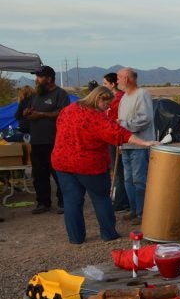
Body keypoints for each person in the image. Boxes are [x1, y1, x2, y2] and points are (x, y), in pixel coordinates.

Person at [52, 87, 158, 244]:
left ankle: (76, 238)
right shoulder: (96, 117)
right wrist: (145, 142)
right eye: (106, 104)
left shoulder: (68, 110)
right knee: (101, 198)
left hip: (62, 162)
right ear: (98, 99)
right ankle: (108, 233)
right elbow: (119, 134)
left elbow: (60, 127)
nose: (108, 108)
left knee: (71, 201)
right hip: (89, 165)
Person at [19, 65, 70, 214]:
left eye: (39, 77)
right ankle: (43, 203)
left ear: (49, 78)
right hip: (37, 141)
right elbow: (28, 112)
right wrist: (27, 112)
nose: (37, 79)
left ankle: (63, 202)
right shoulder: (35, 95)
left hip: (54, 141)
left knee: (58, 173)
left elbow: (63, 113)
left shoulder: (60, 94)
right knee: (39, 174)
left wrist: (42, 114)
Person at [117, 67, 155, 225]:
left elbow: (145, 119)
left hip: (140, 146)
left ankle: (142, 212)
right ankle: (134, 208)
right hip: (126, 145)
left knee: (139, 180)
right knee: (128, 180)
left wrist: (123, 125)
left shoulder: (142, 94)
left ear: (127, 78)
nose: (117, 80)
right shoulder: (124, 97)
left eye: (119, 77)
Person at [103, 72, 129, 211]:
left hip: (116, 138)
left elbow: (120, 120)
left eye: (105, 84)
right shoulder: (108, 98)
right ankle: (120, 199)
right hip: (108, 137)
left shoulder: (119, 99)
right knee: (115, 169)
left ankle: (121, 201)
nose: (104, 86)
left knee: (119, 171)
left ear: (113, 84)